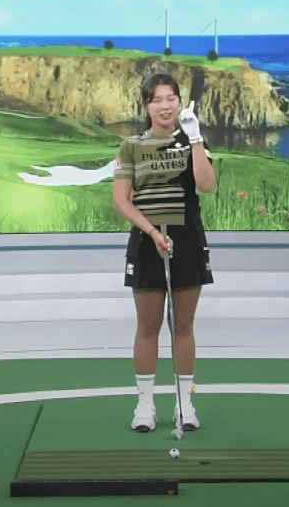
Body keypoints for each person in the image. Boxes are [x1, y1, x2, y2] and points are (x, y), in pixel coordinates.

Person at [112, 73, 217, 433]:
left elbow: (207, 185)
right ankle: (145, 406)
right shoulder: (132, 146)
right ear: (147, 106)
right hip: (147, 241)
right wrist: (153, 232)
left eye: (171, 98)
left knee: (183, 326)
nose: (165, 106)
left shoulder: (192, 141)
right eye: (156, 99)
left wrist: (196, 137)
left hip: (187, 240)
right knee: (148, 326)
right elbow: (121, 201)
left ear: (180, 102)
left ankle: (185, 405)